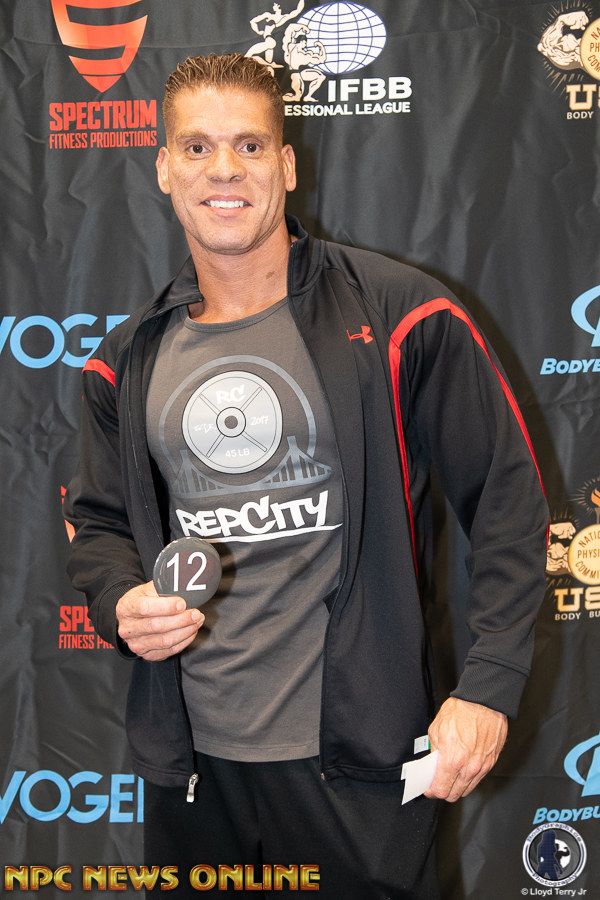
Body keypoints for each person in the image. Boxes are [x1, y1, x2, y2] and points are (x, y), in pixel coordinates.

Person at [64, 53, 548, 898]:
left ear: (287, 164)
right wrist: (119, 602)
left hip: (361, 771)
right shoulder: (127, 359)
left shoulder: (399, 312)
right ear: (165, 168)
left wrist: (490, 686)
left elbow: (508, 499)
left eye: (250, 146)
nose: (224, 169)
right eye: (198, 147)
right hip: (193, 773)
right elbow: (99, 525)